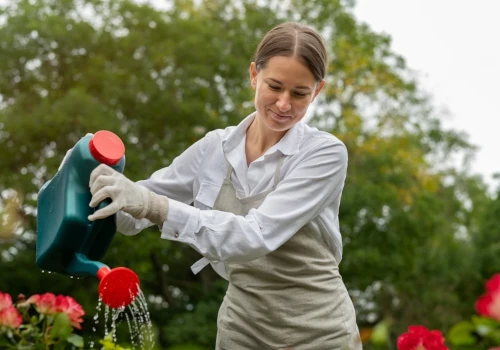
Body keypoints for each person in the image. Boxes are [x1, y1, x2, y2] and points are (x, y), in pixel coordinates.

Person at [85, 22, 361, 350]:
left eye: (299, 93)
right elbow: (132, 217)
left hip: (318, 333)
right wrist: (94, 187)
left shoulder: (323, 153)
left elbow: (255, 236)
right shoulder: (214, 148)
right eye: (275, 86)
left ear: (317, 91)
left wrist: (152, 205)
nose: (284, 104)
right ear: (254, 76)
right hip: (241, 330)